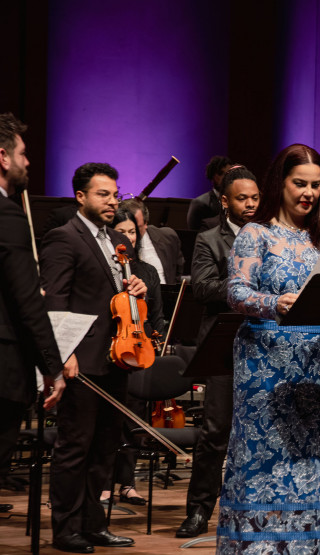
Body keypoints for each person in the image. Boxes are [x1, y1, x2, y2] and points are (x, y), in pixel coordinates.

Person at [218, 144, 320, 553]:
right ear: (281, 182)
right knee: (262, 464)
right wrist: (273, 303)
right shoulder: (256, 233)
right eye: (299, 184)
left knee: (309, 463)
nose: (308, 193)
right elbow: (236, 292)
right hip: (264, 372)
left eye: (315, 186)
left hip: (310, 373)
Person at [41, 162, 148, 553]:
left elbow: (124, 299)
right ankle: (66, 530)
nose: (112, 201)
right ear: (80, 196)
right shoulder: (63, 238)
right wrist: (62, 354)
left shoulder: (118, 242)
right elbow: (53, 301)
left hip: (118, 356)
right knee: (75, 448)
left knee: (105, 447)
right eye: (103, 194)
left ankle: (93, 524)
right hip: (81, 363)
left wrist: (135, 287)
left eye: (115, 194)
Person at [177, 166, 260, 538]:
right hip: (224, 342)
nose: (250, 204)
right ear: (225, 201)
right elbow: (203, 289)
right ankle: (198, 510)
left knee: (259, 432)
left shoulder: (269, 237)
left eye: (255, 197)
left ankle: (254, 509)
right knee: (216, 430)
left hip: (262, 342)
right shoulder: (209, 238)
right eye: (242, 198)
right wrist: (245, 279)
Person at [0, 113, 69, 514]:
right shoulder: (8, 214)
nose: (28, 163)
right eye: (23, 154)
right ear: (4, 157)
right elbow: (27, 301)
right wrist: (52, 368)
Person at [99, 208, 168, 507]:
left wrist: (161, 338)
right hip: (111, 348)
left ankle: (127, 482)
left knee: (134, 418)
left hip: (140, 346)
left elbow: (158, 316)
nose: (127, 236)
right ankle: (102, 483)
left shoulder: (148, 271)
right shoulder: (105, 267)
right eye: (121, 231)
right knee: (107, 419)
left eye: (132, 232)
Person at [119, 198, 185, 285]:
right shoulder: (112, 241)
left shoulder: (168, 237)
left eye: (136, 228)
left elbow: (178, 271)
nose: (130, 236)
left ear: (146, 223)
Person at [187, 155, 232, 230]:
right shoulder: (200, 203)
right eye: (221, 173)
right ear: (213, 176)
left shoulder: (236, 201)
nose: (227, 178)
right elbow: (194, 235)